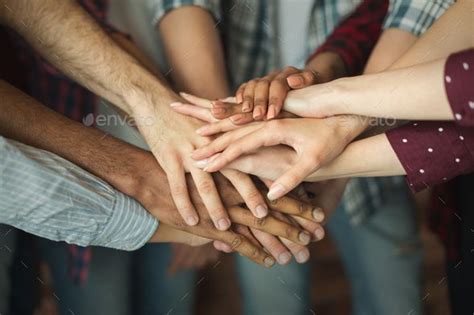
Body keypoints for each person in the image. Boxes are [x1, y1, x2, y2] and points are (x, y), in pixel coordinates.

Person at [171, 0, 453, 313]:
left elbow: (420, 15)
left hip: (369, 153)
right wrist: (321, 88)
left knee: (393, 295)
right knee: (273, 288)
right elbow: (383, 18)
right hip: (261, 153)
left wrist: (339, 122)